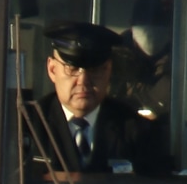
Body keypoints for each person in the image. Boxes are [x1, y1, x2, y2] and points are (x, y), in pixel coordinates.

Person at [36, 21, 153, 174]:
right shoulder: (29, 125)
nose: (83, 81)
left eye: (94, 70)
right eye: (72, 69)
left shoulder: (135, 131)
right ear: (52, 69)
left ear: (108, 70)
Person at [112, 0, 173, 123]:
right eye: (144, 26)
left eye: (160, 26)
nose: (151, 33)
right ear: (131, 25)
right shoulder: (115, 56)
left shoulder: (181, 60)